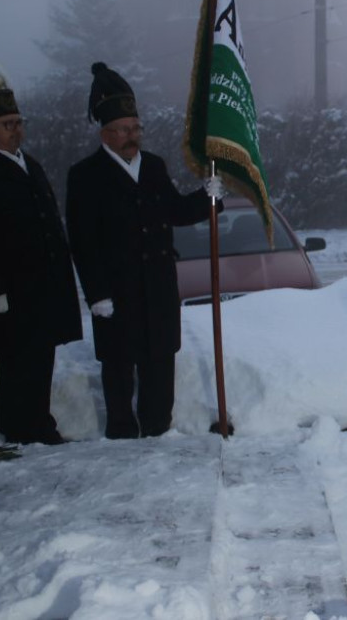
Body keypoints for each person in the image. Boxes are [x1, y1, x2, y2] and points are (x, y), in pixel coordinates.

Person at [66, 62, 223, 439]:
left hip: (157, 284)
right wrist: (97, 293)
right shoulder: (85, 175)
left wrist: (207, 200)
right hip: (117, 291)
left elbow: (174, 210)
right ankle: (121, 431)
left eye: (136, 128)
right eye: (123, 130)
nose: (132, 136)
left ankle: (158, 426)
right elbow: (82, 240)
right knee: (119, 364)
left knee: (159, 360)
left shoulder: (153, 166)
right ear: (105, 133)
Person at [0, 49, 82, 445]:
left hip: (43, 285)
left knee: (41, 359)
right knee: (16, 362)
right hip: (8, 290)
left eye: (18, 122)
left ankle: (40, 423)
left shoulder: (31, 163)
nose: (16, 130)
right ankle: (19, 429)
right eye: (8, 124)